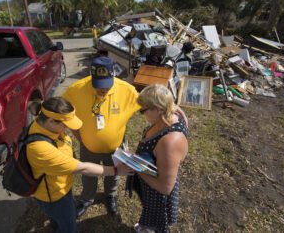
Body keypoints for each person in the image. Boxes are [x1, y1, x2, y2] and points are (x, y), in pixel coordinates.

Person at [26, 97, 131, 233]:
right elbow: (84, 168)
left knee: (59, 220)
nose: (68, 128)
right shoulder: (41, 149)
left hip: (60, 185)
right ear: (51, 120)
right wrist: (116, 170)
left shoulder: (45, 126)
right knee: (68, 227)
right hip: (55, 196)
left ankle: (57, 225)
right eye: (65, 124)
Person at [62, 56, 141, 217]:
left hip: (115, 147)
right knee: (88, 174)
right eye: (98, 86)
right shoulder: (75, 90)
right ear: (91, 76)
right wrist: (81, 138)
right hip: (88, 147)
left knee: (115, 173)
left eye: (106, 85)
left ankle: (110, 195)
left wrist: (172, 106)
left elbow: (149, 102)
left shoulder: (127, 90)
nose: (103, 90)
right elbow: (65, 115)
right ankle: (87, 199)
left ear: (113, 75)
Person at [127, 84, 188, 233]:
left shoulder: (170, 142)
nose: (141, 113)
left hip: (158, 192)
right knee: (148, 209)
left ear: (159, 109)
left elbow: (165, 187)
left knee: (159, 220)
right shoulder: (174, 113)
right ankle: (147, 227)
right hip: (150, 178)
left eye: (143, 110)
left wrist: (136, 167)